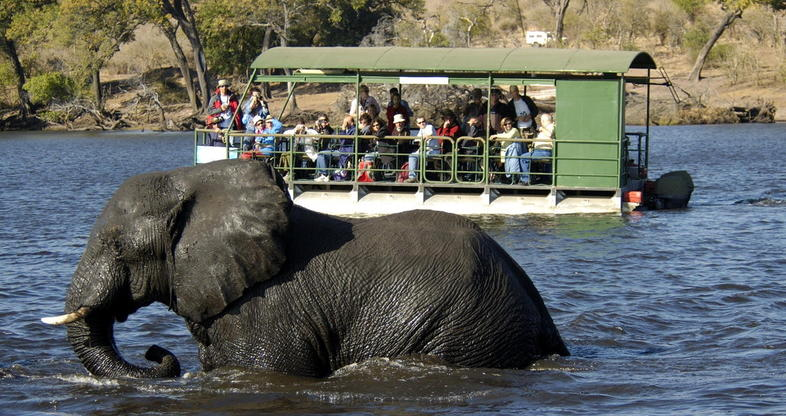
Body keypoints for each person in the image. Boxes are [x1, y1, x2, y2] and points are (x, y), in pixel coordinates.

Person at [315, 115, 356, 182]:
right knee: (320, 154)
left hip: (345, 151)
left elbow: (342, 140)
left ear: (351, 123)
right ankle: (322, 175)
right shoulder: (348, 130)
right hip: (341, 150)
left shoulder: (353, 130)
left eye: (346, 122)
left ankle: (324, 175)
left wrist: (343, 129)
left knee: (321, 154)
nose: (344, 123)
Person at [519, 113, 555, 184]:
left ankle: (526, 180)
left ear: (544, 120)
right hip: (539, 151)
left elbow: (550, 134)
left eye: (541, 121)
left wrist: (542, 129)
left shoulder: (551, 126)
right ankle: (536, 178)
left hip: (545, 151)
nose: (541, 123)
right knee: (528, 157)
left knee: (523, 157)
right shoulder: (547, 128)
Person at [206, 79, 242, 146]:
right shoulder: (214, 98)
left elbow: (239, 111)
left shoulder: (233, 97)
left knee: (231, 145)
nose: (224, 88)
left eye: (225, 86)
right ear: (219, 88)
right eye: (222, 86)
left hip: (230, 125)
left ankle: (231, 156)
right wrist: (221, 109)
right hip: (218, 126)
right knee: (219, 145)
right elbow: (209, 111)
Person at [491, 116, 526, 184]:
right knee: (491, 158)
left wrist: (496, 136)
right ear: (502, 126)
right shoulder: (502, 134)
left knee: (509, 160)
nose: (508, 125)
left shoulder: (514, 130)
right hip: (504, 154)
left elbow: (508, 137)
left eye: (509, 123)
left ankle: (513, 180)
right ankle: (495, 178)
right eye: (505, 124)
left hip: (513, 153)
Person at [405, 117, 438, 183]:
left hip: (433, 150)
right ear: (417, 124)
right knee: (412, 156)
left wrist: (423, 138)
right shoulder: (421, 130)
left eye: (423, 121)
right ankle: (412, 177)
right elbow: (417, 141)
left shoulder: (429, 126)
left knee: (421, 156)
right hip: (423, 150)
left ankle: (422, 178)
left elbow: (429, 134)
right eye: (420, 123)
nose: (422, 123)